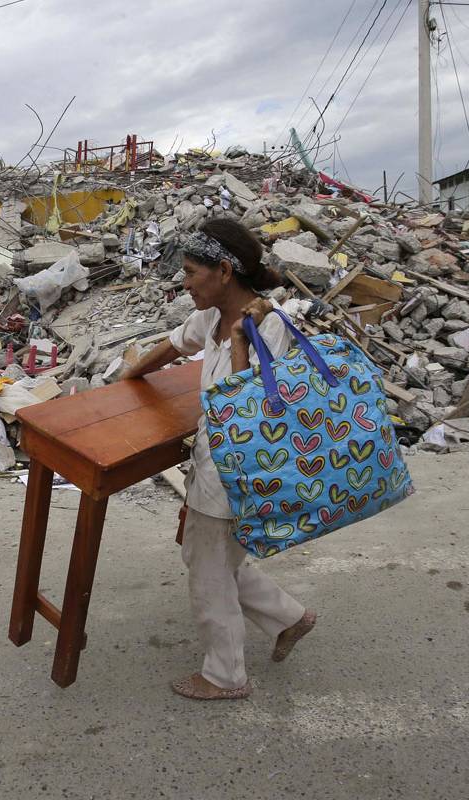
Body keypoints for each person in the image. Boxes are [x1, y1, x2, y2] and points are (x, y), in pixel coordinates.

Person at [123, 218, 316, 701]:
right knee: (207, 553)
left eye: (191, 272)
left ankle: (225, 676)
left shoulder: (266, 327)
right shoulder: (208, 319)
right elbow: (169, 346)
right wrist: (125, 380)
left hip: (238, 471)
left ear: (224, 270)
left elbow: (245, 406)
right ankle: (290, 617)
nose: (185, 283)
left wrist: (239, 339)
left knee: (209, 566)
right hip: (212, 466)